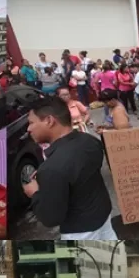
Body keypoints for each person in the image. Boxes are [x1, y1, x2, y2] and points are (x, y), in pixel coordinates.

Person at [22, 96, 116, 239]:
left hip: (80, 232)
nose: (28, 129)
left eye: (31, 123)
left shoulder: (52, 168)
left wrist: (35, 193)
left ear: (49, 121)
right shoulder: (90, 141)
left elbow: (51, 218)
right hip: (103, 217)